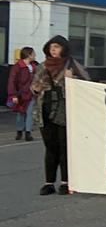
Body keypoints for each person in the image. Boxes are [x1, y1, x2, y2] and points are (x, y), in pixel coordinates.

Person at [31, 35, 90, 196]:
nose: (54, 50)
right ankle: (49, 182)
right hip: (46, 110)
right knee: (50, 148)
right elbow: (34, 87)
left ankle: (66, 182)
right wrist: (37, 87)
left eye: (57, 47)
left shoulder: (72, 65)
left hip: (66, 111)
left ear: (64, 48)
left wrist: (73, 80)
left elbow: (87, 83)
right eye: (51, 47)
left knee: (65, 147)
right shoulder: (43, 66)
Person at [7, 47, 39, 141]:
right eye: (33, 54)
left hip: (31, 93)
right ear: (29, 55)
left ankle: (28, 133)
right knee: (21, 113)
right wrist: (13, 95)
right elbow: (12, 81)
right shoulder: (17, 67)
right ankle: (19, 130)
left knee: (29, 113)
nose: (35, 55)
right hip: (20, 94)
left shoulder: (34, 66)